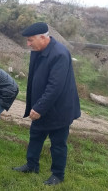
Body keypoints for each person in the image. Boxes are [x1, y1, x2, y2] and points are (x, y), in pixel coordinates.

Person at [12, 22, 81, 186]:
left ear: (43, 37)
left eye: (30, 40)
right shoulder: (39, 50)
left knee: (58, 143)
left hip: (59, 109)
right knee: (35, 136)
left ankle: (57, 175)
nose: (28, 44)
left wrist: (39, 108)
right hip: (41, 105)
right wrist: (36, 106)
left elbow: (54, 87)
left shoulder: (60, 55)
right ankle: (31, 165)